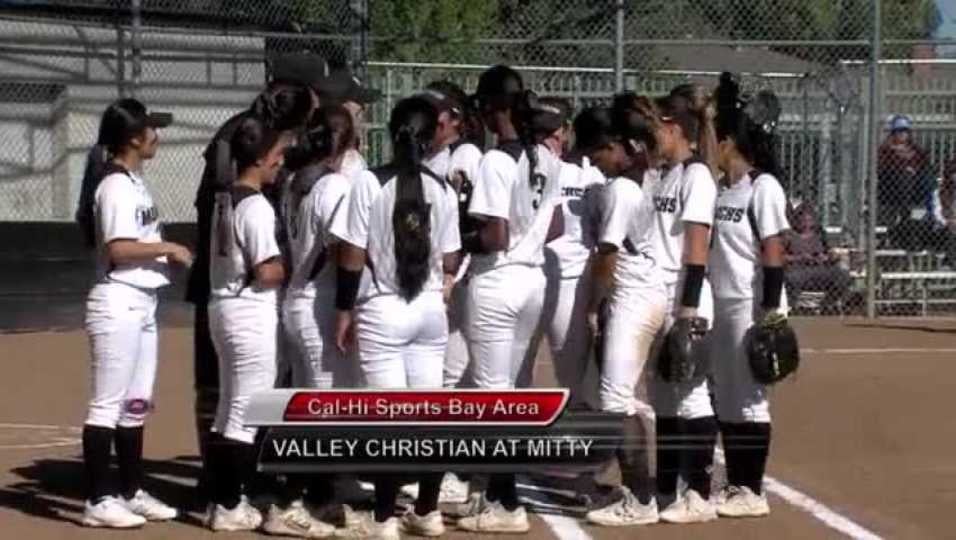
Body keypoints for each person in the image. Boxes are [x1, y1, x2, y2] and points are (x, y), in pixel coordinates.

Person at [187, 52, 323, 504]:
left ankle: (234, 484)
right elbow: (232, 213)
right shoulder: (246, 146)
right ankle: (230, 488)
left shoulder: (251, 147)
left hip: (230, 284)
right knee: (236, 395)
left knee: (235, 397)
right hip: (242, 283)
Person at [331, 96, 462, 540]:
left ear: (392, 134)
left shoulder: (368, 182)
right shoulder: (443, 189)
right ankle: (426, 510)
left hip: (383, 309)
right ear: (431, 139)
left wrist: (344, 309)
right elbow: (452, 258)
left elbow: (351, 256)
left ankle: (384, 519)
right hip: (429, 310)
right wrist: (443, 286)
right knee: (429, 417)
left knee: (387, 418)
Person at [455, 65, 564, 534]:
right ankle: (500, 491)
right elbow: (556, 226)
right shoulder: (547, 157)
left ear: (489, 108)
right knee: (509, 391)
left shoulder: (497, 160)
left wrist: (460, 233)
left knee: (492, 395)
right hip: (532, 280)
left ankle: (504, 500)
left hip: (498, 281)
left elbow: (494, 236)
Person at [76, 98, 190, 528]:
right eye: (151, 129)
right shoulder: (115, 186)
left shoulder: (133, 182)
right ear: (133, 138)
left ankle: (130, 489)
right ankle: (97, 499)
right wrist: (168, 247)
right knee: (107, 404)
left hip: (142, 302)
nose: (156, 136)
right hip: (117, 301)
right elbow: (118, 248)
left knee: (137, 403)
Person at [205, 117, 315, 534]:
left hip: (226, 306)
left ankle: (222, 499)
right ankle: (231, 503)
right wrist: (299, 266)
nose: (280, 163)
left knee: (228, 407)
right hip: (249, 310)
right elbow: (266, 271)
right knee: (246, 412)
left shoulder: (225, 198)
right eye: (276, 156)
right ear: (258, 158)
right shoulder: (254, 205)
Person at [576, 100, 670, 527]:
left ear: (616, 146)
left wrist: (594, 307)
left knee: (616, 400)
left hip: (632, 298)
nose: (594, 163)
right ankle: (639, 492)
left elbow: (608, 255)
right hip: (646, 292)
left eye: (598, 153)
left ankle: (641, 498)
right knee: (617, 396)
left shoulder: (621, 188)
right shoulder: (644, 174)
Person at [709, 72, 791, 517]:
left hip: (751, 302)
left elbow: (773, 251)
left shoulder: (764, 187)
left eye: (717, 140)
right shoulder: (725, 189)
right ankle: (736, 482)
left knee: (751, 397)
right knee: (726, 393)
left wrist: (770, 311)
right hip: (722, 302)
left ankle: (752, 489)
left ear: (729, 143)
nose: (712, 148)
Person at [277, 105, 359, 530]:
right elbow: (340, 247)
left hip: (295, 299)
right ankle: (318, 498)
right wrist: (347, 303)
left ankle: (299, 488)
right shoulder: (335, 186)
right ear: (343, 143)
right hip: (318, 300)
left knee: (304, 401)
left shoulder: (294, 180)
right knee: (326, 406)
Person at [642, 85, 720, 524]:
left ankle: (699, 494)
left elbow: (696, 249)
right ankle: (666, 487)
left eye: (657, 125)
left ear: (673, 127)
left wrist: (687, 315)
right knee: (663, 400)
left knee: (691, 397)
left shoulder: (697, 177)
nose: (653, 134)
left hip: (686, 297)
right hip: (659, 294)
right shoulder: (664, 175)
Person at [536, 97, 603, 406]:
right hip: (531, 276)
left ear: (567, 130)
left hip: (572, 282)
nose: (550, 140)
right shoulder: (530, 165)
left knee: (572, 376)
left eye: (554, 132)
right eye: (542, 132)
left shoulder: (592, 175)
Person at [784, 203, 852, 310]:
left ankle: (827, 305)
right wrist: (800, 257)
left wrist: (828, 257)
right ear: (796, 220)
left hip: (820, 269)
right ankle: (791, 307)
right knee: (791, 277)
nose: (807, 224)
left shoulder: (819, 233)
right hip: (798, 270)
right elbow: (779, 257)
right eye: (803, 221)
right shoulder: (788, 235)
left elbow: (830, 253)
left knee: (842, 275)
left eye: (810, 221)